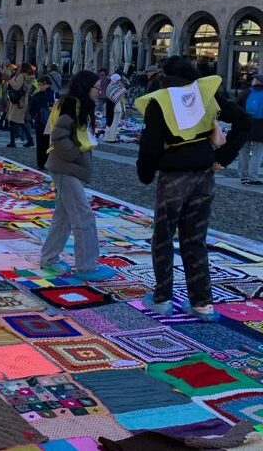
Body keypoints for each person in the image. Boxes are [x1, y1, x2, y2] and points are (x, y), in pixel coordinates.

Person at [136, 56, 250, 321]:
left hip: (174, 177)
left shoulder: (160, 101)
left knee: (164, 237)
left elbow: (150, 145)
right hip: (204, 176)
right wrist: (223, 157)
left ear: (165, 76)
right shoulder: (206, 95)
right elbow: (243, 122)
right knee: (195, 238)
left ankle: (162, 298)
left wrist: (145, 173)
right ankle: (202, 303)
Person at [40, 70, 117, 281]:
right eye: (96, 87)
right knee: (84, 217)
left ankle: (49, 258)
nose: (99, 91)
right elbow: (58, 136)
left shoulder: (78, 105)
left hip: (67, 168)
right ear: (86, 87)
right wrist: (75, 154)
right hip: (66, 168)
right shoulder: (72, 106)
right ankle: (87, 266)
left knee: (63, 217)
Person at [237, 74, 263, 186]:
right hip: (260, 126)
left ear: (255, 81)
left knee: (243, 150)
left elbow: (236, 107)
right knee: (257, 152)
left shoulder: (245, 92)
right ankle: (253, 177)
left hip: (245, 124)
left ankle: (243, 176)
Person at [29, 75, 55, 170]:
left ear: (47, 84)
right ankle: (43, 163)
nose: (40, 87)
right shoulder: (52, 94)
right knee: (43, 143)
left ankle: (43, 163)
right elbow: (31, 109)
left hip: (44, 122)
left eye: (41, 85)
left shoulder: (47, 95)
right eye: (39, 85)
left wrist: (33, 117)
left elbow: (31, 109)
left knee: (44, 143)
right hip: (43, 122)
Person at [6, 63, 34, 148]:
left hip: (17, 101)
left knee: (13, 121)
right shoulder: (30, 77)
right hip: (23, 100)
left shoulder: (21, 76)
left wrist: (11, 80)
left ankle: (12, 141)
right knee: (21, 121)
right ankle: (29, 140)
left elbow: (16, 87)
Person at [103, 73, 127, 142]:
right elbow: (122, 92)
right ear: (115, 79)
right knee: (113, 123)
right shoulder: (113, 86)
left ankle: (110, 138)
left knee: (114, 124)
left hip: (115, 107)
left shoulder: (111, 86)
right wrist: (122, 88)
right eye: (118, 80)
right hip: (114, 108)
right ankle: (110, 138)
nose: (119, 81)